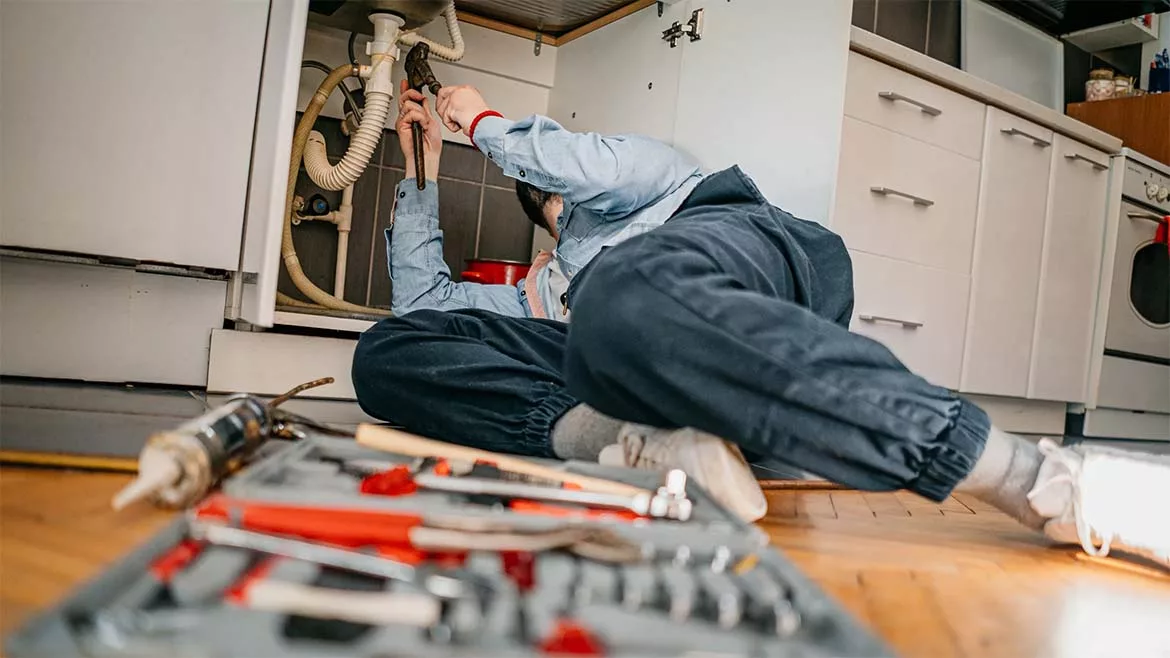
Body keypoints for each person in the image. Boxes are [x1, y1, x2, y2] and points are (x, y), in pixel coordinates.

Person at [354, 86, 1170, 570]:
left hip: (737, 260)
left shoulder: (647, 179)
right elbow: (425, 310)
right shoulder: (548, 284)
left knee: (624, 298)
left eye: (560, 186)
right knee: (386, 355)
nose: (566, 205)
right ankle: (632, 443)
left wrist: (486, 125)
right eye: (554, 211)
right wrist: (421, 167)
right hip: (626, 353)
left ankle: (1048, 484)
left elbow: (578, 167)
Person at [385, 79, 700, 321]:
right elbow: (421, 305)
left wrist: (483, 123)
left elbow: (592, 170)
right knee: (381, 348)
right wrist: (421, 165)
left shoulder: (661, 178)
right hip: (625, 386)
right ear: (553, 237)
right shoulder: (541, 296)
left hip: (711, 325)